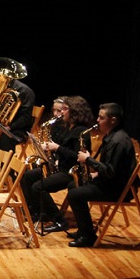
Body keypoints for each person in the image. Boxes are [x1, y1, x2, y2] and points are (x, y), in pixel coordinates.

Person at [63, 103, 140, 248]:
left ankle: (88, 237)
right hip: (111, 183)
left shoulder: (118, 141)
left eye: (101, 118)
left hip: (118, 190)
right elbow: (113, 168)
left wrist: (88, 160)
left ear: (113, 120)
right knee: (73, 185)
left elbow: (111, 172)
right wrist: (96, 174)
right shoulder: (112, 136)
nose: (97, 120)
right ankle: (84, 230)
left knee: (75, 194)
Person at [20, 95, 94, 230]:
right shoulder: (68, 127)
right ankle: (37, 211)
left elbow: (77, 156)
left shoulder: (80, 131)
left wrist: (57, 148)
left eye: (65, 109)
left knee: (38, 187)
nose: (62, 112)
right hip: (60, 166)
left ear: (75, 112)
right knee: (27, 176)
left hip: (71, 172)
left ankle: (59, 220)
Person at [0, 65, 37, 152]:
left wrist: (9, 127)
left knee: (5, 137)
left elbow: (26, 118)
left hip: (16, 129)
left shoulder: (25, 92)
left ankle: (4, 160)